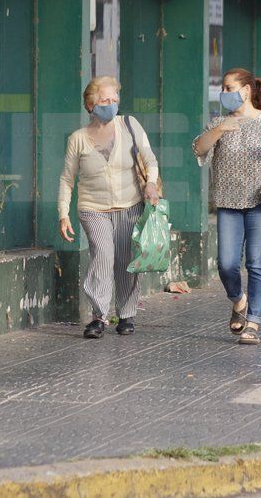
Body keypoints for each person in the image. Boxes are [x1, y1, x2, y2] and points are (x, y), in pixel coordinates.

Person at [192, 68, 261, 346]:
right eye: (223, 89)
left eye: (228, 87)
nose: (224, 93)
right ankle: (239, 300)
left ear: (246, 90)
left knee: (256, 263)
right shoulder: (219, 122)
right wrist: (219, 129)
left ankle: (253, 322)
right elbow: (199, 150)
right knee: (226, 264)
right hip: (228, 203)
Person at [58, 76, 160, 339]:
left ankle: (126, 314)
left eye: (115, 99)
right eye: (105, 100)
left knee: (125, 261)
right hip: (93, 208)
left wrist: (150, 183)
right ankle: (98, 316)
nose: (111, 104)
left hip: (130, 205)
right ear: (91, 105)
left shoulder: (129, 125)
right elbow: (67, 178)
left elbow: (148, 156)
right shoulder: (78, 139)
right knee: (103, 256)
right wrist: (63, 213)